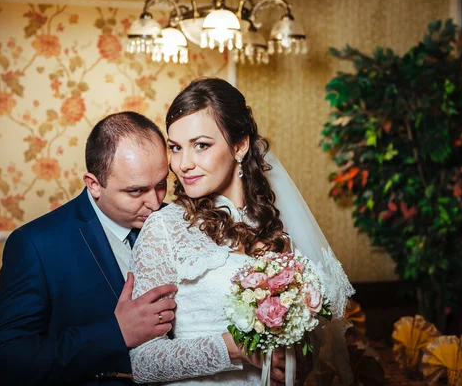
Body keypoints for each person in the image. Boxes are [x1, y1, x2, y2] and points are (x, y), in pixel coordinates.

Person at [129, 78, 355, 385]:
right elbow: (144, 363)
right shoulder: (165, 228)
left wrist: (297, 361)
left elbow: (312, 344)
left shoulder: (276, 227)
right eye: (176, 148)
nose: (183, 164)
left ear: (240, 145)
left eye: (201, 145)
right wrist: (234, 348)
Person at [0, 111, 178, 386]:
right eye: (136, 191)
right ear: (94, 185)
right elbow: (2, 362)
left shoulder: (178, 221)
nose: (156, 204)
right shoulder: (36, 245)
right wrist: (115, 333)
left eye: (160, 185)